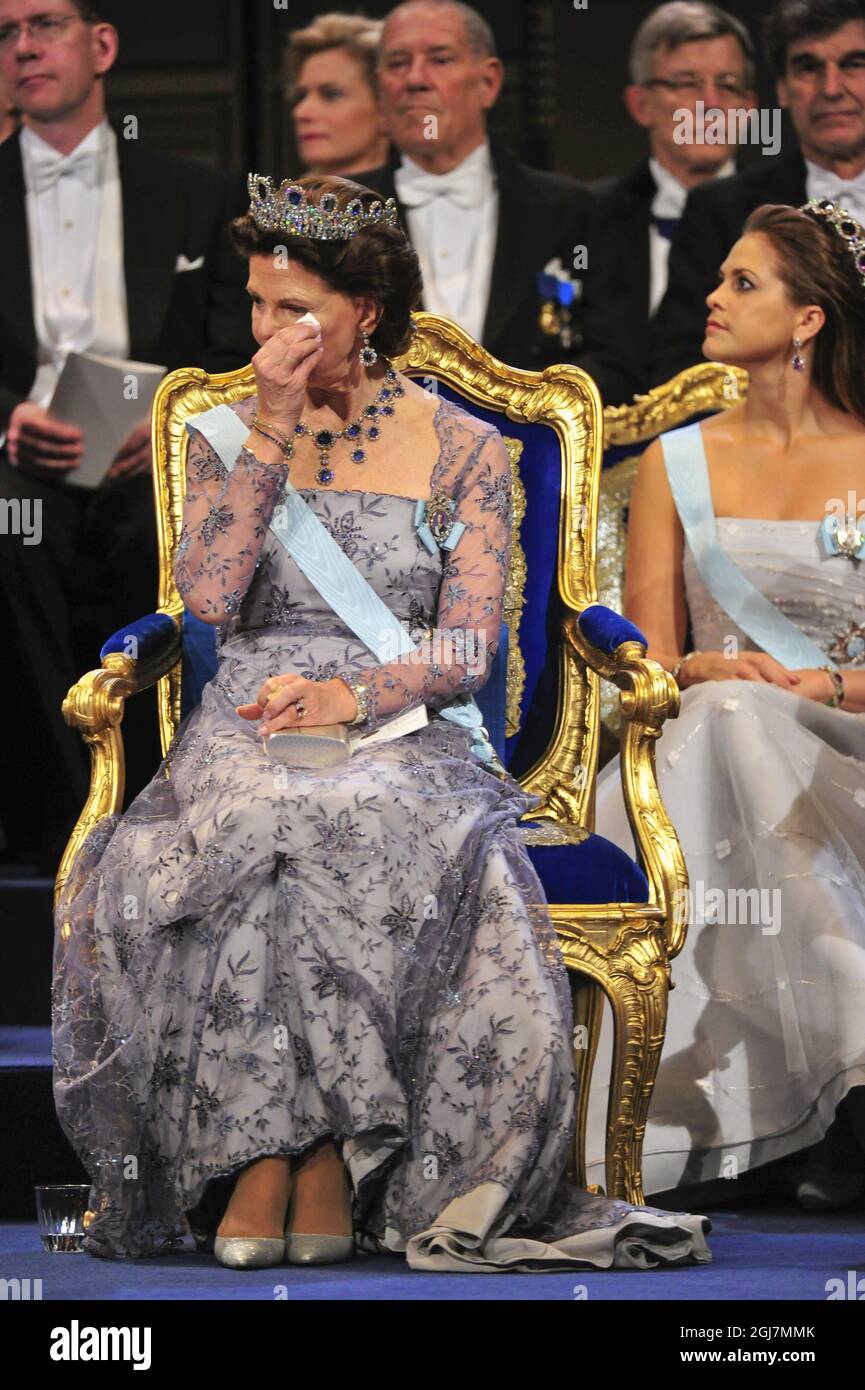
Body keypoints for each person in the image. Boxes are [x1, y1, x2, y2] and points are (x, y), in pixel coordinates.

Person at [51, 172, 711, 1273]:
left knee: (348, 812)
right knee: (257, 817)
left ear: (366, 309)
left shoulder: (463, 447)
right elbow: (204, 600)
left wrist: (353, 697)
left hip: (405, 720)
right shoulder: (225, 431)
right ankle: (280, 1154)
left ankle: (322, 1160)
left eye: (297, 308)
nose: (270, 331)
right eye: (259, 306)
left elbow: (469, 645)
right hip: (252, 713)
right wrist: (265, 429)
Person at [593, 199, 865, 1210]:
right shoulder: (676, 459)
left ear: (806, 320)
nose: (711, 297)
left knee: (743, 722)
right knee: (725, 718)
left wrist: (822, 683)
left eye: (742, 284)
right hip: (715, 742)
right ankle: (830, 1091)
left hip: (851, 735)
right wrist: (709, 671)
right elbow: (647, 667)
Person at [0, 0, 255, 871]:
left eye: (44, 25)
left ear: (101, 45)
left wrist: (174, 417)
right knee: (8, 534)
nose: (24, 47)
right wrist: (8, 421)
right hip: (17, 463)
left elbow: (235, 350)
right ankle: (55, 833)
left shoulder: (197, 191)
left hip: (157, 458)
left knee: (168, 531)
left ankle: (161, 817)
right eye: (4, 34)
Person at [351, 0, 632, 402]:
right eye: (397, 63)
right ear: (380, 89)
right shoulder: (347, 217)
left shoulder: (574, 210)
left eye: (440, 59)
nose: (415, 79)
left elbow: (614, 361)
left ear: (489, 82)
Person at [651, 0, 865, 384]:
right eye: (808, 68)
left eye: (854, 64)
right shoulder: (718, 210)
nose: (831, 89)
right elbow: (680, 367)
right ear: (782, 89)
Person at [589, 2, 758, 403]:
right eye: (688, 83)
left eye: (728, 84)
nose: (711, 103)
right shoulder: (587, 215)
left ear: (750, 109)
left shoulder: (784, 218)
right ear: (640, 103)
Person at [287, 12, 390, 176]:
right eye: (302, 96)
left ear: (386, 111)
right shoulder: (283, 199)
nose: (301, 112)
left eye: (331, 95)